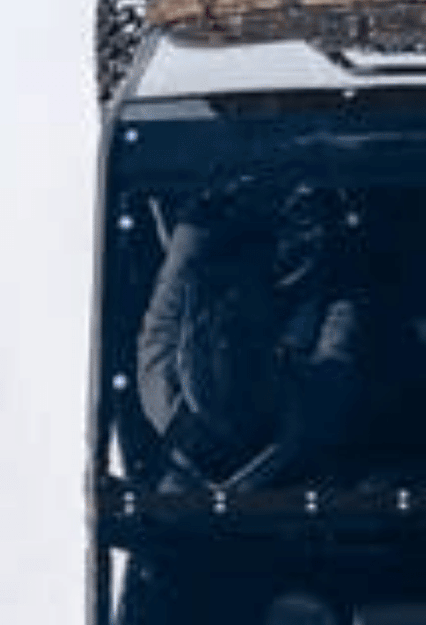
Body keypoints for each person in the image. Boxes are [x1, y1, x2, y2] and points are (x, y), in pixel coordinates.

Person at [136, 178, 366, 490]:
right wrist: (344, 251)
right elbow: (340, 331)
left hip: (233, 280)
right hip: (284, 313)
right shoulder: (315, 412)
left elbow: (165, 314)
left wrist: (196, 222)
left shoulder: (165, 398)